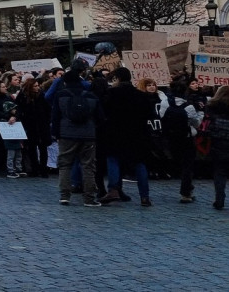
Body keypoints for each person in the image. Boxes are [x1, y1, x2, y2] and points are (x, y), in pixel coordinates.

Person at [51, 59, 104, 207]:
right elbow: (100, 117)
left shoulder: (61, 95)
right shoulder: (91, 96)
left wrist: (56, 134)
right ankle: (89, 198)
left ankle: (64, 196)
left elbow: (55, 117)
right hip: (88, 135)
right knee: (88, 166)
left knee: (65, 165)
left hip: (67, 134)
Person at [101, 67, 156, 206]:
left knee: (113, 159)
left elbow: (104, 112)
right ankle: (144, 196)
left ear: (117, 79)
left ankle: (113, 189)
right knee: (139, 164)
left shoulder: (111, 93)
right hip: (137, 134)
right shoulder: (141, 95)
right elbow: (149, 114)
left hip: (115, 133)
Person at [205, 86, 229, 210]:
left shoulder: (212, 107)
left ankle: (219, 198)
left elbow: (208, 127)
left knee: (220, 173)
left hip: (218, 143)